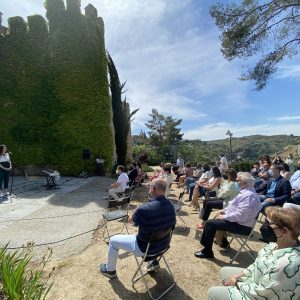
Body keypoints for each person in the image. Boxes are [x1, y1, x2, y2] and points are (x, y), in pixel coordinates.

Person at [207, 206, 300, 300]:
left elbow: (263, 294)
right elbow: (257, 265)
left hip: (260, 295)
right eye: (265, 221)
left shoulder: (287, 264)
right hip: (257, 281)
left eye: (269, 224)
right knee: (225, 271)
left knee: (213, 292)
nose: (264, 226)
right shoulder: (275, 244)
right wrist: (236, 277)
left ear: (284, 231)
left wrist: (236, 283)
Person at [99, 179, 176, 278]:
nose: (149, 188)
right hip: (163, 245)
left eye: (150, 186)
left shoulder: (144, 208)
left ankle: (110, 271)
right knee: (156, 230)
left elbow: (130, 221)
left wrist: (137, 210)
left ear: (153, 188)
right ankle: (153, 262)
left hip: (144, 248)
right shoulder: (170, 206)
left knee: (113, 241)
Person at [194, 172, 261, 259]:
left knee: (210, 224)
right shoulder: (246, 193)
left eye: (238, 180)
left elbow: (241, 215)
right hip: (238, 222)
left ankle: (207, 251)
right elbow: (233, 206)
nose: (236, 182)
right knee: (215, 218)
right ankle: (222, 242)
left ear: (245, 182)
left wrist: (225, 216)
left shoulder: (249, 196)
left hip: (242, 226)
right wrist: (224, 211)